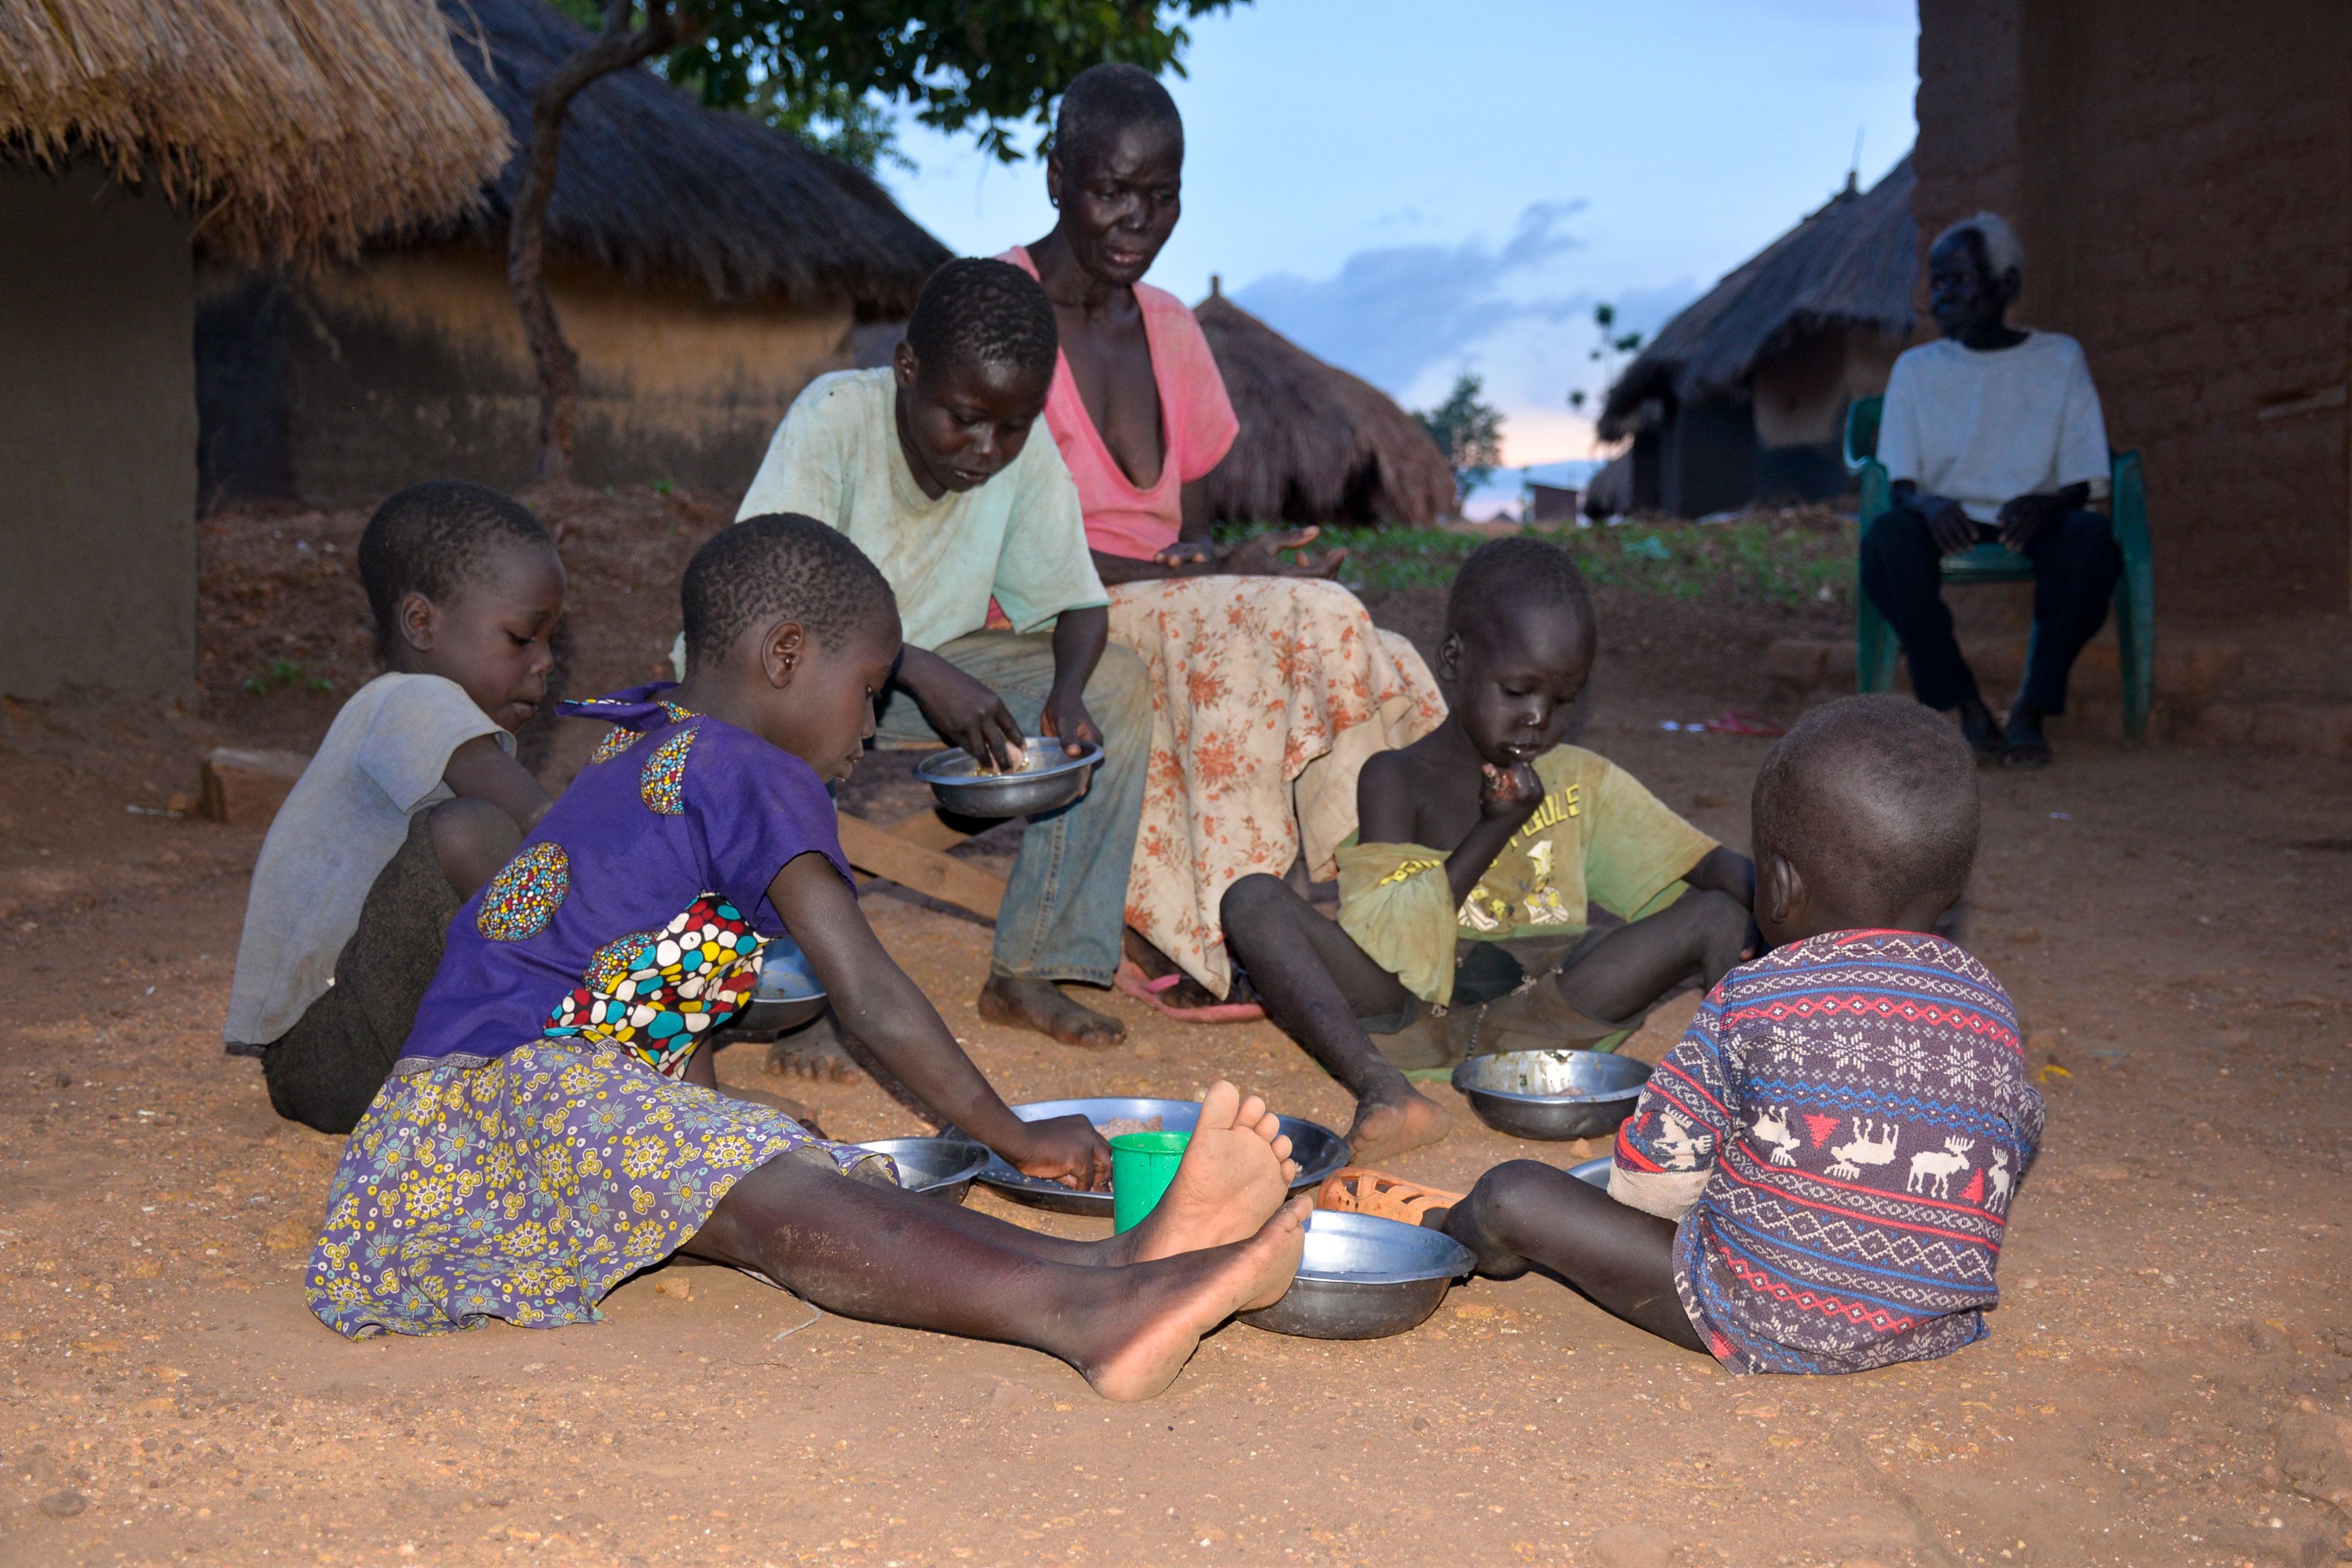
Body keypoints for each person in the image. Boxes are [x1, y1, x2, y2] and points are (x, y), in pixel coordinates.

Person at [307, 514, 1311, 1401]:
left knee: (786, 1164)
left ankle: (1121, 1261)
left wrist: (700, 1109)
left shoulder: (650, 737)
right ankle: (1085, 1312)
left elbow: (632, 976)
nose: (870, 723)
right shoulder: (760, 770)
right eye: (869, 690)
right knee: (779, 1191)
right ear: (786, 654)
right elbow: (868, 992)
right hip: (499, 1113)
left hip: (469, 1120)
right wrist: (1013, 1133)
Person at [1000, 63, 1446, 1016]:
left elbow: (1189, 543)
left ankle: (1384, 923)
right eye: (1111, 191)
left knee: (1383, 653)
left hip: (1158, 604)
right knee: (1302, 625)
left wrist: (1225, 570)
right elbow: (989, 535)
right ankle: (1219, 933)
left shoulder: (1171, 330)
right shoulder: (1001, 312)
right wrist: (1210, 579)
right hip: (1042, 616)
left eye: (1161, 198)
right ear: (1055, 179)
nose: (1137, 221)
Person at [1425, 695, 2044, 1375]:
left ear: (1777, 887)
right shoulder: (1988, 1004)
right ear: (1951, 887)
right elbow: (2017, 1130)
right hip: (1931, 1323)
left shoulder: (1756, 996)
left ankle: (1449, 1240)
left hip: (1761, 1311)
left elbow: (1651, 1180)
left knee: (1514, 1193)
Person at [1220, 539, 1756, 1163]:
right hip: (1408, 1016)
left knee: (1719, 911)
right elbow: (1392, 949)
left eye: (1562, 700)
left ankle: (1742, 1111)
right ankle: (1384, 1090)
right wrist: (1495, 827)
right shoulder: (1396, 777)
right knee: (1253, 899)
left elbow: (1716, 868)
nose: (1538, 718)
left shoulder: (1580, 778)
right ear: (1455, 659)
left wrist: (1826, 924)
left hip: (1546, 1013)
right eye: (1519, 690)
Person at [736, 258, 1149, 1052]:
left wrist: (1066, 693)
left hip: (930, 670)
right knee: (785, 707)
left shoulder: (1016, 450)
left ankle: (1033, 968)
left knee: (1121, 687)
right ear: (907, 369)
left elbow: (1078, 603)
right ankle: (798, 984)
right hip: (788, 663)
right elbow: (772, 599)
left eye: (1013, 426)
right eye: (964, 418)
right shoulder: (833, 420)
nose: (988, 448)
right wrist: (916, 667)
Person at [223, 480, 562, 1134]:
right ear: (421, 623)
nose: (545, 662)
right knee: (477, 836)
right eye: (523, 637)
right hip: (326, 1057)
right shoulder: (411, 701)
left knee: (516, 863)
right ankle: (624, 1073)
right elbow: (548, 828)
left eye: (550, 639)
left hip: (358, 1040)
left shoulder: (421, 716)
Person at [1863, 212, 2120, 769]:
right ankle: (1966, 705)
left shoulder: (2058, 359)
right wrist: (1928, 504)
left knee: (2092, 542)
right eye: (1938, 282)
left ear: (2006, 287)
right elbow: (1900, 483)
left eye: (1959, 280)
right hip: (1946, 516)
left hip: (2033, 515)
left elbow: (2083, 480)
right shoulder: (1917, 369)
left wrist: (2049, 502)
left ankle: (2032, 710)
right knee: (1887, 540)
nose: (1942, 295)